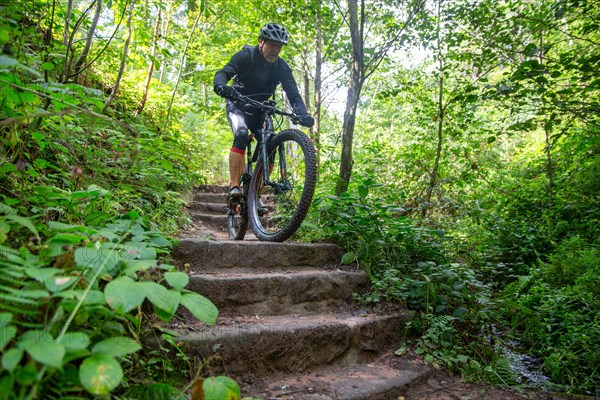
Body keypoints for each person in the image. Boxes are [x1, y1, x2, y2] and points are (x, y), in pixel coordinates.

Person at [213, 23, 314, 207]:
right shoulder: (247, 55)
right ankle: (234, 187)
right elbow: (223, 73)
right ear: (261, 42)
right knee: (241, 134)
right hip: (238, 105)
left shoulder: (281, 67)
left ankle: (254, 196)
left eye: (279, 46)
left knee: (271, 143)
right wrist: (221, 86)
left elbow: (293, 94)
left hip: (260, 110)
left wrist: (302, 113)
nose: (275, 50)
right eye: (272, 45)